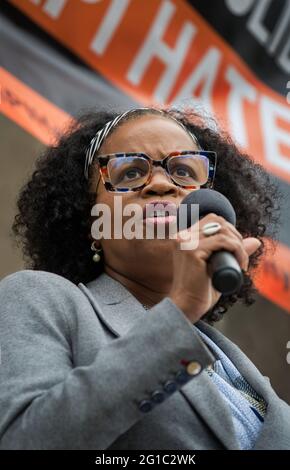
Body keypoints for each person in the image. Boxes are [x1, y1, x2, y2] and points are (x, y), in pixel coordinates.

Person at [0, 106, 289, 450]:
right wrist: (178, 315)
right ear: (92, 222)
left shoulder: (240, 368)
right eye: (131, 172)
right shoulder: (40, 299)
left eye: (183, 170)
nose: (162, 184)